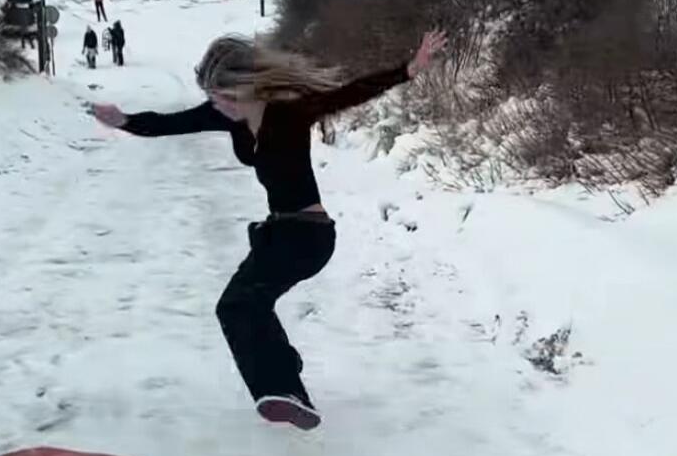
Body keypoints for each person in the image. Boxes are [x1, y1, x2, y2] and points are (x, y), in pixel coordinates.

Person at [93, 29, 447, 430]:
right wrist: (124, 121)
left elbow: (351, 92)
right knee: (247, 306)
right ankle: (283, 366)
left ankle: (286, 390)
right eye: (212, 98)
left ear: (245, 88)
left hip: (309, 236)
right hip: (276, 233)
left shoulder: (289, 110)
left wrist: (410, 69)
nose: (217, 106)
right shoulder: (228, 116)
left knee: (239, 305)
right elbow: (171, 123)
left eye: (223, 97)